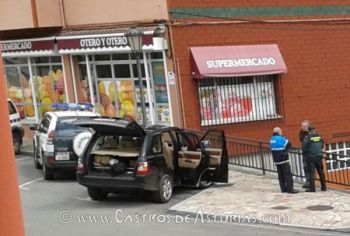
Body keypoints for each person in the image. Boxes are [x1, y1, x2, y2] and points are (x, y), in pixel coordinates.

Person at [270, 127, 299, 194]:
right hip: (283, 159)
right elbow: (289, 143)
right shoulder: (280, 138)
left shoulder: (272, 139)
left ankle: (283, 189)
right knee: (288, 175)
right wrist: (285, 149)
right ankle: (290, 189)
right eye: (281, 131)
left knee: (280, 175)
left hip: (276, 160)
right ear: (279, 132)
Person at [302, 125, 327, 192]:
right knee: (321, 172)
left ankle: (312, 188)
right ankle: (324, 187)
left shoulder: (307, 137)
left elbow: (304, 147)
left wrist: (305, 154)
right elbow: (322, 144)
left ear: (308, 131)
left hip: (310, 157)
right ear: (314, 129)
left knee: (311, 173)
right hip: (319, 156)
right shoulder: (319, 136)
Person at [299, 120, 311, 188]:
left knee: (311, 168)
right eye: (302, 126)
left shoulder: (312, 132)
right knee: (305, 167)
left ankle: (311, 182)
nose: (302, 127)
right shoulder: (301, 132)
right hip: (305, 153)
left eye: (304, 126)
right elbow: (302, 140)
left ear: (308, 126)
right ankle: (307, 181)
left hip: (311, 153)